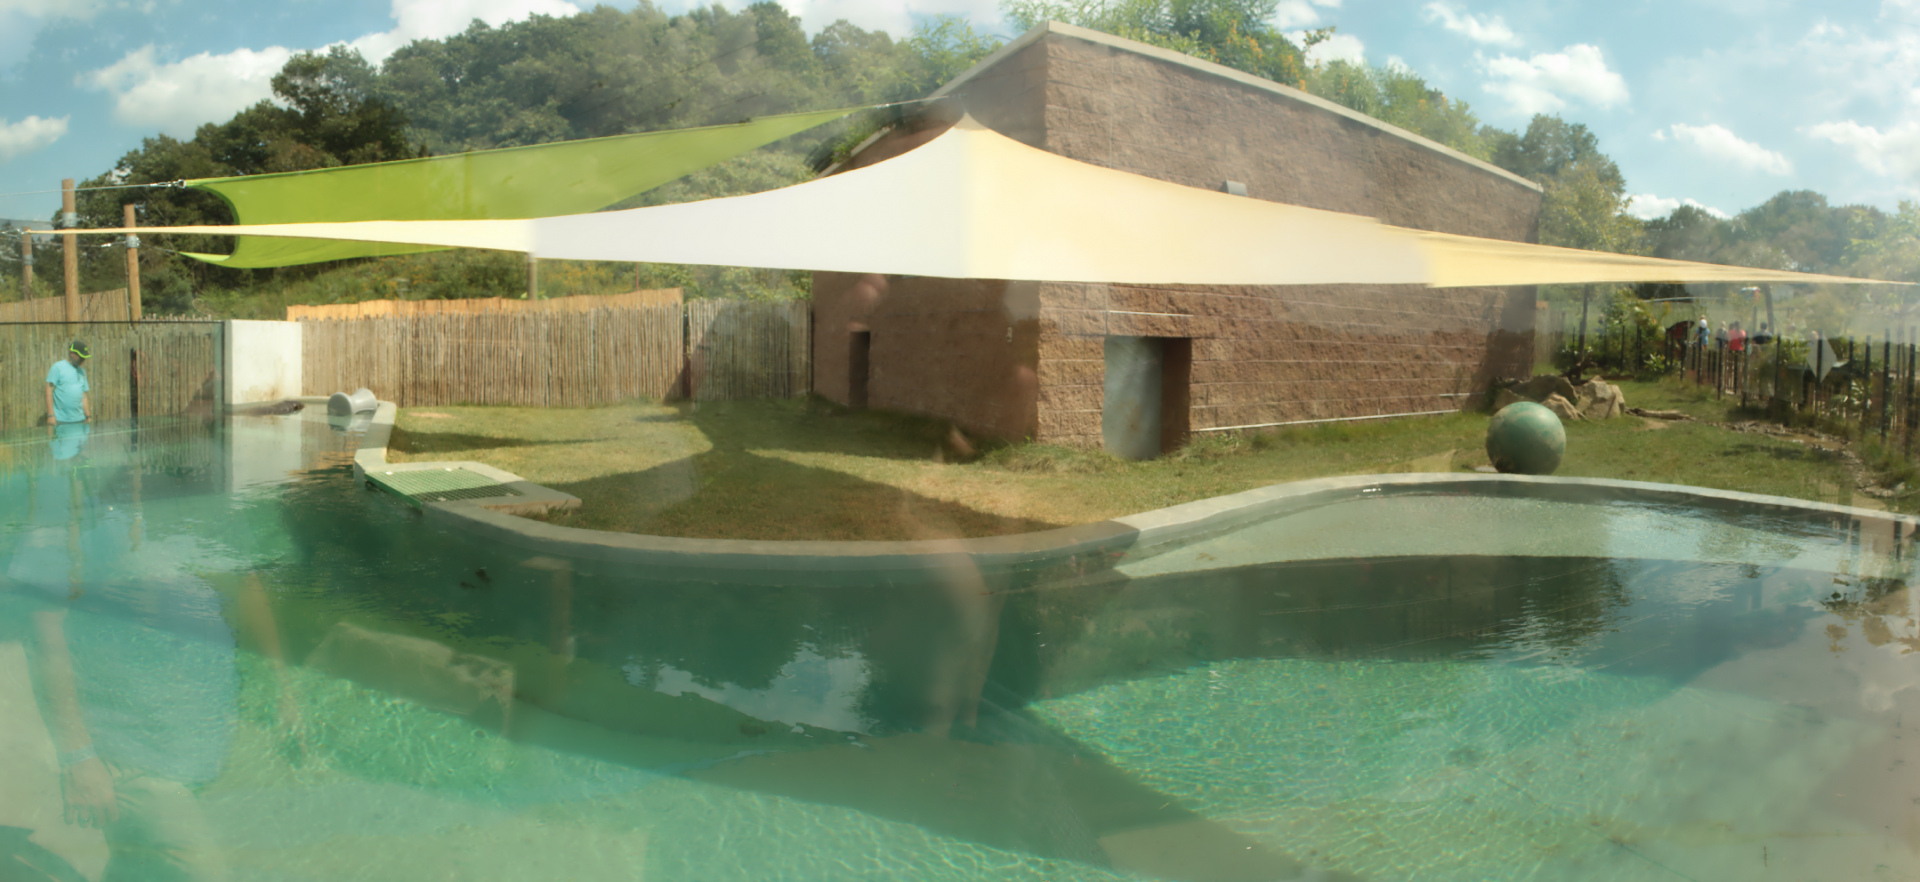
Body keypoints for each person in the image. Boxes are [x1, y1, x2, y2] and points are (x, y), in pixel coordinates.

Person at [45, 341, 91, 428]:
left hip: (80, 420)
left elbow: (83, 396)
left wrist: (88, 416)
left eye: (84, 358)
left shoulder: (82, 372)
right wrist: (51, 415)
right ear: (71, 354)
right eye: (81, 357)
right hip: (61, 421)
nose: (83, 360)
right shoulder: (57, 367)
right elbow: (48, 391)